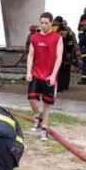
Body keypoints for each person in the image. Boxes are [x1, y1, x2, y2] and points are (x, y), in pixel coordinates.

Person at [26, 12, 63, 141]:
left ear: (51, 23)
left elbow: (59, 57)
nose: (43, 25)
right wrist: (28, 72)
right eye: (42, 23)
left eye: (46, 23)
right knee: (31, 99)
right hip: (36, 73)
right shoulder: (34, 37)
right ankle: (37, 116)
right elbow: (30, 55)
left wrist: (53, 75)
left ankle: (44, 129)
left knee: (47, 104)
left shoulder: (57, 37)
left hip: (49, 76)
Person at [52, 17, 76, 92]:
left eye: (54, 21)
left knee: (56, 69)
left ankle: (56, 86)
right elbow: (71, 42)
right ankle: (64, 86)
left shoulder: (53, 29)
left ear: (56, 21)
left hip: (55, 52)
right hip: (65, 53)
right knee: (65, 70)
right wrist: (69, 53)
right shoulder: (68, 30)